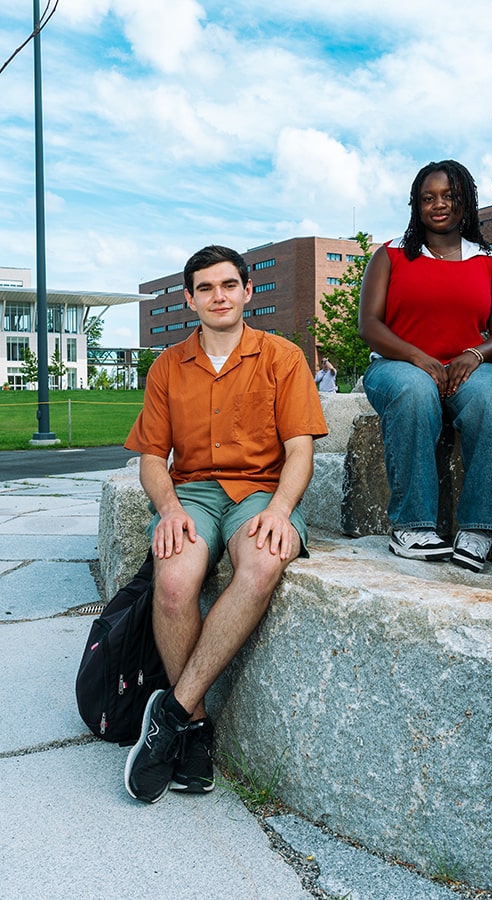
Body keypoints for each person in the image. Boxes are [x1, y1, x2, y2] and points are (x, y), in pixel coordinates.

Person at [122, 244, 327, 803]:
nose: (219, 296)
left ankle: (171, 714)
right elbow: (149, 458)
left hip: (261, 492)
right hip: (190, 494)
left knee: (263, 563)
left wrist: (281, 511)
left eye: (229, 285)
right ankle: (195, 729)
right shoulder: (168, 366)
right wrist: (168, 510)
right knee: (173, 580)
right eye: (206, 288)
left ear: (247, 291)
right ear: (189, 298)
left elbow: (300, 450)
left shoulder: (283, 358)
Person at [358, 159, 492, 572]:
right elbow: (369, 325)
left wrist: (476, 354)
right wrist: (417, 357)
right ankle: (412, 527)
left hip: (466, 367)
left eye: (449, 196)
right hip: (397, 365)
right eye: (428, 198)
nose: (439, 205)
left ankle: (478, 530)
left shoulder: (488, 261)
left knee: (490, 397)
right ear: (416, 206)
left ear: (466, 200)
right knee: (415, 390)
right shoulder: (390, 255)